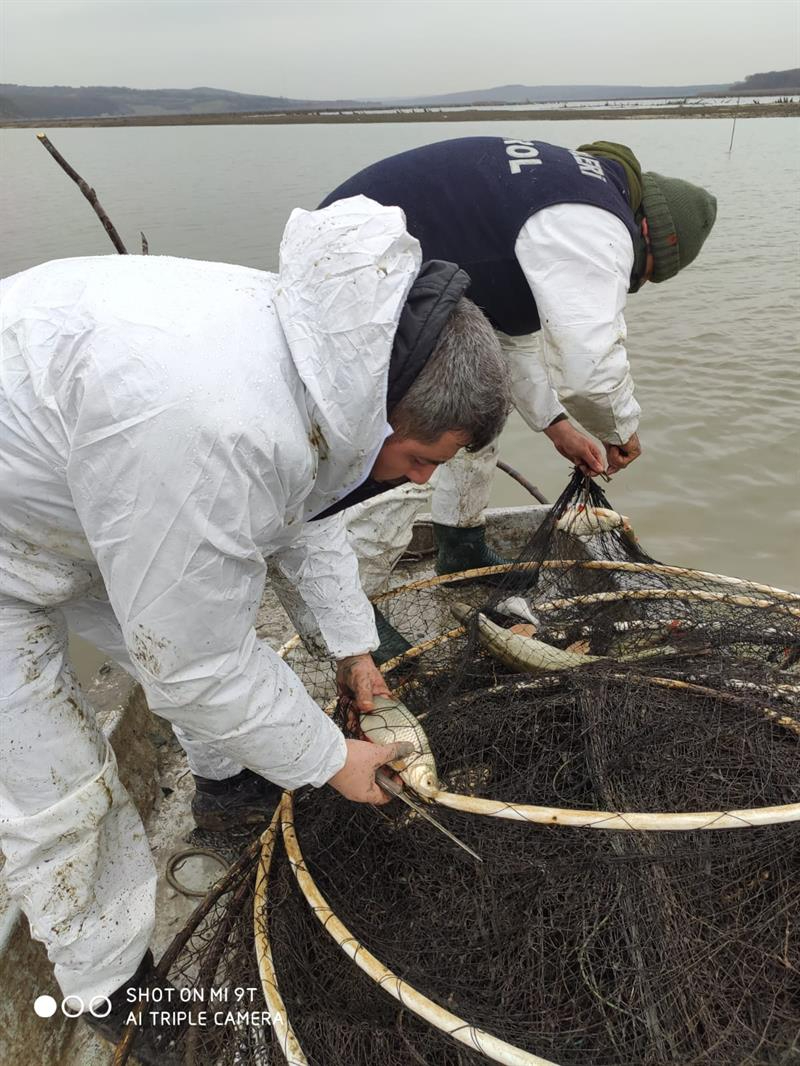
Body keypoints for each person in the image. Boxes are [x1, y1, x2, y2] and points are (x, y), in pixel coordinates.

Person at [0, 195, 510, 1060]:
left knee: (201, 640)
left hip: (73, 493)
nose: (422, 481)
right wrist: (330, 759)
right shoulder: (214, 418)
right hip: (30, 519)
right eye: (423, 460)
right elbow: (193, 665)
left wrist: (352, 650)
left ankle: (226, 789)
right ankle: (117, 998)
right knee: (61, 790)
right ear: (388, 411)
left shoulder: (330, 365)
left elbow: (305, 510)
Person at [320, 136, 717, 578]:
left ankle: (460, 545)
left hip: (375, 266)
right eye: (641, 275)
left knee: (480, 402)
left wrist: (558, 426)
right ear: (650, 237)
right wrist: (620, 429)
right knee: (416, 439)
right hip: (354, 275)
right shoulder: (595, 222)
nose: (630, 283)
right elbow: (590, 369)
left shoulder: (574, 195)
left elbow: (508, 338)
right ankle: (354, 591)